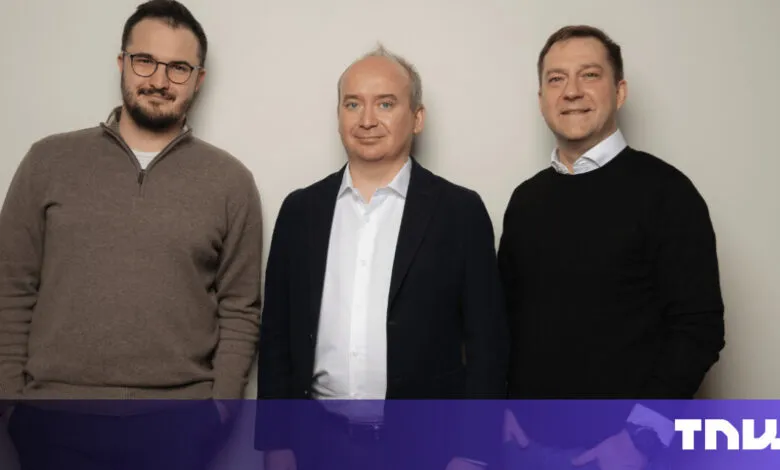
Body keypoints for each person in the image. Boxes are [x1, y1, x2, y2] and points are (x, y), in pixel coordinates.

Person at [0, 1, 263, 468]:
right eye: (145, 61)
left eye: (178, 68)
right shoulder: (48, 162)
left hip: (179, 424)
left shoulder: (230, 182)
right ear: (122, 62)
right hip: (53, 418)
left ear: (199, 78)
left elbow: (241, 307)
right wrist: (11, 400)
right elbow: (10, 286)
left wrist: (221, 406)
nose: (159, 80)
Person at [255, 45, 509, 470]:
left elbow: (487, 343)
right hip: (318, 445)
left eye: (386, 104)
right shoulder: (300, 211)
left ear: (417, 118)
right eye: (353, 104)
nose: (367, 119)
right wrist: (276, 444)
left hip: (428, 448)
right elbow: (277, 335)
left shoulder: (459, 212)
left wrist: (473, 452)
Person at [498, 25, 726, 469]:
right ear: (542, 99)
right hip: (528, 450)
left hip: (626, 454)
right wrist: (500, 405)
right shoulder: (525, 201)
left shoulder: (667, 193)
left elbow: (698, 328)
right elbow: (506, 317)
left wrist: (639, 440)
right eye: (556, 79)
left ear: (619, 92)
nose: (572, 91)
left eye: (589, 75)